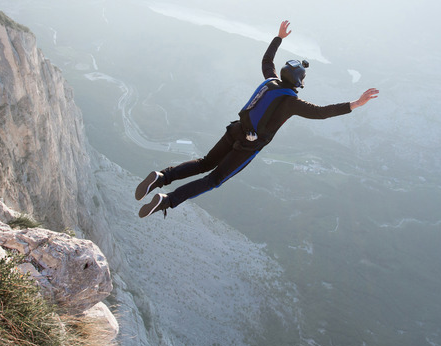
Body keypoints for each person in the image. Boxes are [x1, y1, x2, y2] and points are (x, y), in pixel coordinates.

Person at [136, 20, 379, 218]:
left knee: (203, 163)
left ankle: (161, 177)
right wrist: (355, 104)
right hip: (248, 145)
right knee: (213, 179)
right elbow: (321, 112)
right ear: (298, 82)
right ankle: (167, 201)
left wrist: (279, 38)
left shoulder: (270, 81)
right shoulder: (291, 102)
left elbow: (267, 61)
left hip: (235, 129)